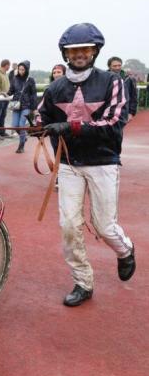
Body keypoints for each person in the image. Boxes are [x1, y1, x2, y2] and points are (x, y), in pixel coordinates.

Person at [37, 23, 135, 307]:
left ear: (95, 51)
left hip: (103, 161)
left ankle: (125, 250)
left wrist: (70, 126)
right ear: (65, 54)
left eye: (85, 49)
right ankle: (83, 282)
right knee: (69, 225)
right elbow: (41, 117)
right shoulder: (55, 87)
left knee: (104, 226)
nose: (80, 54)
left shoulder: (112, 81)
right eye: (73, 50)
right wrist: (38, 127)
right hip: (68, 164)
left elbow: (115, 124)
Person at [7, 61, 37, 153]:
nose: (21, 71)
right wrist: (6, 93)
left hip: (26, 105)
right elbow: (11, 90)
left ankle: (21, 146)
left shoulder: (30, 80)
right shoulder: (15, 78)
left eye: (23, 69)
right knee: (15, 126)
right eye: (19, 69)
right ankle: (23, 137)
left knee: (21, 125)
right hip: (16, 105)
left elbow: (33, 94)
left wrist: (34, 108)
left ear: (26, 70)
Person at [107, 57, 138, 122]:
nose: (117, 68)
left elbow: (133, 97)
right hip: (106, 112)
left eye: (119, 65)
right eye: (114, 66)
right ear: (109, 67)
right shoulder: (103, 78)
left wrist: (131, 113)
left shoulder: (129, 79)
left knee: (118, 131)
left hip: (122, 113)